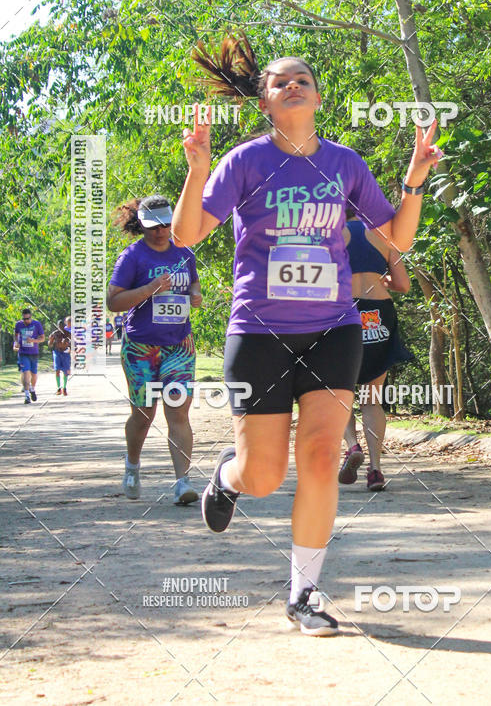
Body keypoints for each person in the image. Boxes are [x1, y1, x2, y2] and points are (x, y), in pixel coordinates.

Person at [172, 33, 442, 636]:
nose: (292, 85)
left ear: (318, 97)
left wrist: (414, 182)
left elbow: (395, 239)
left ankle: (305, 594)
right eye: (279, 81)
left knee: (320, 455)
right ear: (265, 101)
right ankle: (227, 475)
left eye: (303, 80)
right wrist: (196, 172)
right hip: (259, 331)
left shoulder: (345, 163)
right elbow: (188, 235)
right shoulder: (244, 161)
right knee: (264, 476)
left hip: (333, 328)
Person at [106, 195, 203, 506]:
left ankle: (182, 482)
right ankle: (132, 465)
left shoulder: (185, 253)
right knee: (144, 413)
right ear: (142, 225)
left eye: (165, 225)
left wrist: (196, 294)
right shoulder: (132, 257)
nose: (160, 232)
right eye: (153, 227)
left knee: (178, 411)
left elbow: (194, 285)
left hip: (179, 346)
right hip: (141, 347)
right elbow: (113, 301)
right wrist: (148, 290)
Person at [338, 215, 414, 491]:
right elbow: (403, 285)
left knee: (339, 391)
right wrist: (384, 281)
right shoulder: (384, 236)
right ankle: (375, 470)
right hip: (379, 313)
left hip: (343, 311)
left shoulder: (331, 233)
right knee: (372, 397)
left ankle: (352, 445)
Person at [14, 308, 45, 404]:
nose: (26, 321)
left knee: (34, 374)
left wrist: (33, 341)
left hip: (34, 353)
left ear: (31, 317)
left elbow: (43, 338)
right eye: (24, 319)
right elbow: (16, 335)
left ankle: (32, 389)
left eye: (28, 319)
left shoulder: (37, 324)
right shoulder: (18, 324)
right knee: (26, 372)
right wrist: (16, 343)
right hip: (23, 353)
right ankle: (27, 395)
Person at [47, 318, 71, 395]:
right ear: (57, 326)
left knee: (65, 371)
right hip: (57, 352)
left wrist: (67, 343)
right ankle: (58, 388)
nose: (60, 327)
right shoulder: (54, 334)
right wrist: (50, 340)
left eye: (62, 326)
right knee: (57, 370)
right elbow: (50, 345)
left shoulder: (67, 333)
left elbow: (73, 343)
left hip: (65, 353)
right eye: (59, 326)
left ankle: (64, 387)